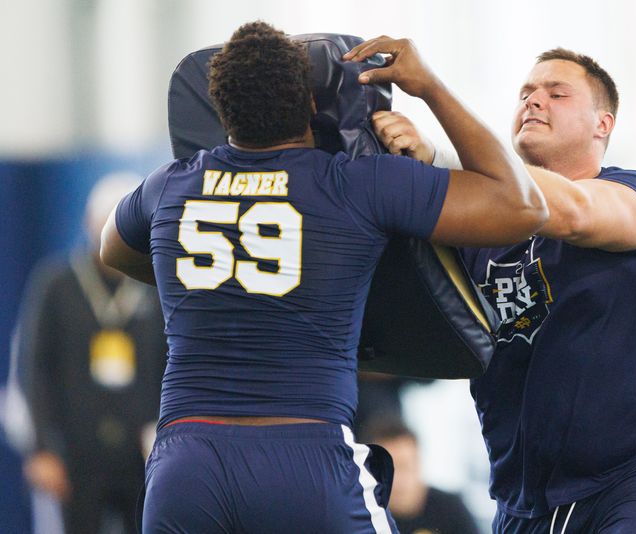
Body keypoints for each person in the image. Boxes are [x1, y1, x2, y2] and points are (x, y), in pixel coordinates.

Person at [100, 22, 547, 533]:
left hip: (186, 464)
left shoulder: (169, 186)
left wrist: (217, 285)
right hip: (305, 457)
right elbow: (523, 205)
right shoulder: (357, 184)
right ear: (314, 104)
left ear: (220, 111)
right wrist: (431, 89)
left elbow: (113, 249)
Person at [353, 41, 636, 532]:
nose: (533, 99)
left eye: (557, 92)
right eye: (526, 92)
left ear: (602, 124)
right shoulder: (479, 234)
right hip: (526, 499)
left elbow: (571, 211)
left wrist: (434, 107)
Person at [14, 173, 166, 534]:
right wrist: (40, 448)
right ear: (87, 223)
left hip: (142, 452)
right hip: (76, 453)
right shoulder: (56, 285)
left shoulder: (156, 286)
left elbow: (171, 365)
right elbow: (35, 369)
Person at [362, 418, 480, 534]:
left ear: (418, 463)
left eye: (405, 466)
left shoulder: (451, 510)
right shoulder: (359, 517)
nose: (397, 479)